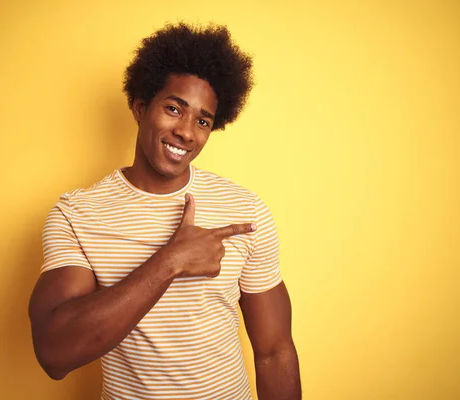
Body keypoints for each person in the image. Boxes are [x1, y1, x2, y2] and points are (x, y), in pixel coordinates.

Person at [28, 23, 301, 400]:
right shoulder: (77, 214)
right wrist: (170, 260)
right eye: (174, 109)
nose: (187, 132)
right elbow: (54, 354)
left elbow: (274, 351)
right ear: (141, 108)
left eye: (202, 121)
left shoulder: (243, 210)